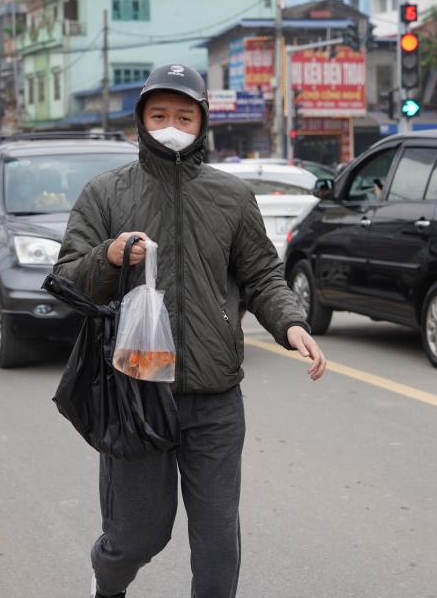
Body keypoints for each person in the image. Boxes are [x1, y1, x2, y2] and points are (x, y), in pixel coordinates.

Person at [54, 63, 326, 598]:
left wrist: (291, 323)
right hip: (136, 393)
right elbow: (67, 279)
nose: (171, 124)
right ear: (141, 121)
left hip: (215, 398)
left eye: (184, 113)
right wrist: (108, 256)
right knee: (135, 538)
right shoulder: (105, 194)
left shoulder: (231, 195)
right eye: (159, 114)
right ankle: (106, 584)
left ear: (202, 122)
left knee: (218, 538)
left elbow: (262, 274)